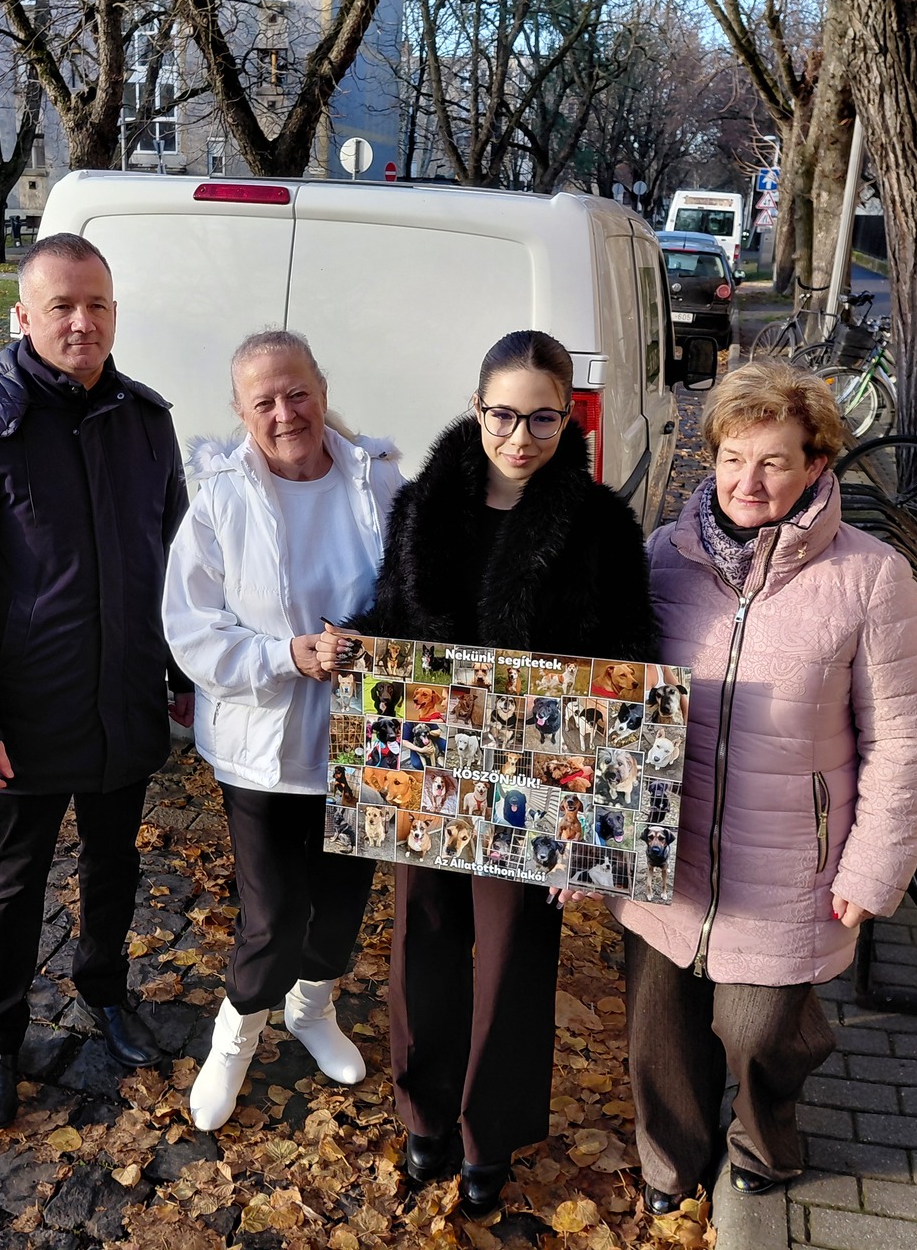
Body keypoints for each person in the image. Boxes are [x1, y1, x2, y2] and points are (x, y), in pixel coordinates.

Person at [319, 330, 655, 1216]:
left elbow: (626, 669)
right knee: (423, 938)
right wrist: (355, 643)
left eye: (542, 418)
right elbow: (396, 620)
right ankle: (424, 1113)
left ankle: (488, 1135)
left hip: (539, 786)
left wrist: (598, 832)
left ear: (567, 417)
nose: (519, 437)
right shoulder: (422, 506)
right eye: (503, 414)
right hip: (429, 768)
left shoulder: (599, 526)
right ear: (476, 408)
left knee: (511, 957)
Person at [613, 359, 917, 1210]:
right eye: (730, 458)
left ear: (815, 465)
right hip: (668, 849)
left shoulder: (870, 577)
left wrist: (874, 866)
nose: (746, 482)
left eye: (772, 462)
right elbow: (615, 701)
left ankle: (764, 1141)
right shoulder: (663, 557)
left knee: (758, 1033)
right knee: (659, 1033)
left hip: (790, 861)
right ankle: (670, 1165)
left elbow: (904, 738)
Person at [0, 233, 195, 1131]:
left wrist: (179, 675)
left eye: (96, 304)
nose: (82, 322)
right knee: (15, 878)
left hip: (122, 697)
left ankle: (103, 990)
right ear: (22, 317)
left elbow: (175, 565)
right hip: (25, 711)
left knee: (114, 862)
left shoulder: (144, 421)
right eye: (61, 306)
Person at [163, 330, 404, 1131]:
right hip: (260, 750)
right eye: (262, 400)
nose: (284, 412)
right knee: (271, 918)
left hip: (364, 743)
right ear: (239, 412)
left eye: (296, 392)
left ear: (322, 390)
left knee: (340, 906)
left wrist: (378, 638)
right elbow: (191, 630)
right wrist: (287, 655)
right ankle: (233, 1041)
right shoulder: (220, 499)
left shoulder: (379, 482)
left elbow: (417, 592)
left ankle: (311, 1009)